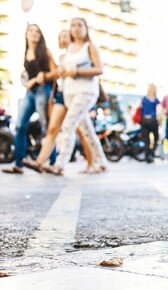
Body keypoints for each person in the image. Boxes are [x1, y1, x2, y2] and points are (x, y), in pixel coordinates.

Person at [23, 29, 97, 174]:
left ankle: (91, 164)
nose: (63, 38)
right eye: (60, 36)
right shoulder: (63, 57)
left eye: (65, 35)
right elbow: (57, 74)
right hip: (62, 94)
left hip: (77, 95)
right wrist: (48, 76)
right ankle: (39, 162)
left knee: (81, 131)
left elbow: (92, 73)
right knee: (53, 129)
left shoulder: (80, 54)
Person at [45, 17, 108, 176]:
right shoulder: (69, 49)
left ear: (86, 28)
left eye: (80, 25)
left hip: (85, 92)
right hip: (69, 94)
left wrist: (77, 72)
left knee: (67, 125)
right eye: (73, 25)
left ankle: (60, 163)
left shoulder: (89, 47)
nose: (76, 28)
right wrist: (61, 72)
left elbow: (99, 69)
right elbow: (62, 70)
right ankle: (101, 162)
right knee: (87, 130)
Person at [3, 24, 56, 174]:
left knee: (46, 127)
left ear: (41, 35)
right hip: (30, 92)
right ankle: (19, 163)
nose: (34, 34)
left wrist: (44, 76)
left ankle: (52, 162)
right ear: (26, 34)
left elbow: (55, 72)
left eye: (37, 31)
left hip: (43, 90)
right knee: (19, 126)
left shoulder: (45, 52)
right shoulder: (25, 52)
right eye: (31, 31)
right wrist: (29, 82)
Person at [139, 83, 161, 163]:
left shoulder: (143, 99)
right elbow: (159, 111)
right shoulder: (156, 100)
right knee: (156, 139)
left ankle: (147, 156)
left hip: (144, 120)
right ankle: (151, 154)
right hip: (153, 120)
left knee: (146, 140)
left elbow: (138, 107)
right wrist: (159, 121)